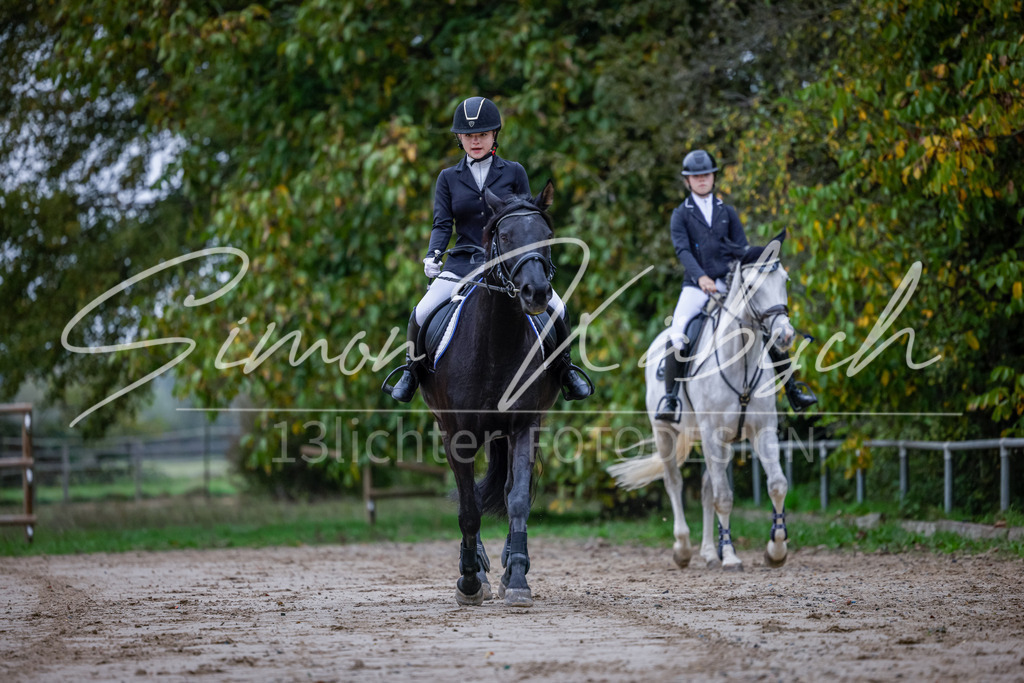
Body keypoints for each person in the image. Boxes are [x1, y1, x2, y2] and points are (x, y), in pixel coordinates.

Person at [384, 96, 592, 403]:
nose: (475, 141)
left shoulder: (514, 172)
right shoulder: (448, 178)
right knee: (422, 311)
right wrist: (433, 254)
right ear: (460, 139)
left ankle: (565, 370)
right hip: (463, 263)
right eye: (468, 136)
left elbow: (526, 220)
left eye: (481, 135)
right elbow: (442, 224)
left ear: (494, 135)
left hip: (508, 264)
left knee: (558, 309)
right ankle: (411, 373)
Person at [654, 149, 817, 421]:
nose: (702, 180)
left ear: (714, 177)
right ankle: (670, 400)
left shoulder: (726, 212)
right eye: (696, 177)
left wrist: (749, 267)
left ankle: (792, 390)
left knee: (766, 326)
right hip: (695, 287)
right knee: (678, 332)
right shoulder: (680, 215)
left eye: (706, 175)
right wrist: (700, 278)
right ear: (688, 181)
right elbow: (682, 251)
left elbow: (740, 249)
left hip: (729, 284)